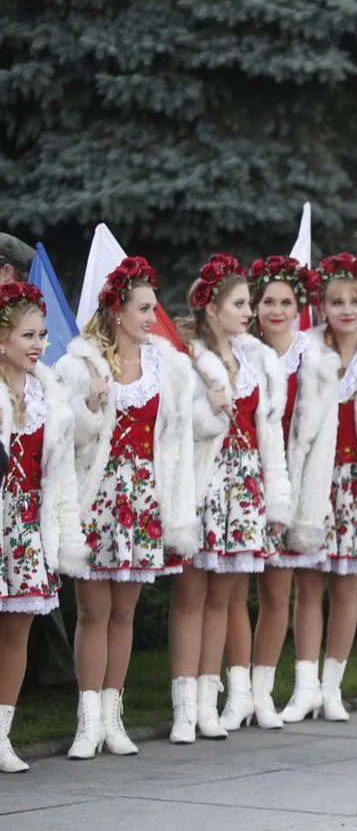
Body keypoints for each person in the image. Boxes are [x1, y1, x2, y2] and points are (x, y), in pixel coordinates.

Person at [55, 256, 198, 758]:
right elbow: (62, 436)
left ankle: (114, 718)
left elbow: (182, 436)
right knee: (92, 610)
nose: (151, 317)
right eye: (143, 308)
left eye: (154, 308)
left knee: (124, 611)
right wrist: (90, 407)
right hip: (98, 498)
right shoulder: (77, 365)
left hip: (142, 500)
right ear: (116, 310)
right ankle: (87, 719)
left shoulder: (168, 366)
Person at [276, 254, 357, 724]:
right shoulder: (308, 354)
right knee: (308, 588)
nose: (346, 309)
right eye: (336, 301)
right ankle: (304, 687)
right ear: (321, 307)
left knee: (348, 588)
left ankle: (332, 688)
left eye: (356, 302)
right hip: (317, 483)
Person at [173, 255, 294, 742]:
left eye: (249, 303)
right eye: (241, 303)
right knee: (190, 595)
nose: (250, 312)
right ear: (213, 307)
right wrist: (211, 408)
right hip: (203, 481)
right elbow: (180, 429)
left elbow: (269, 436)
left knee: (224, 597)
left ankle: (210, 702)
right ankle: (184, 708)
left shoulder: (257, 360)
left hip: (244, 485)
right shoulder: (186, 359)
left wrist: (276, 497)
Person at [226, 256, 327, 730]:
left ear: (299, 306)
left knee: (280, 593)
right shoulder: (242, 353)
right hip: (250, 479)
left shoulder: (313, 357)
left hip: (297, 480)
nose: (277, 309)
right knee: (238, 593)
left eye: (287, 301)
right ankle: (238, 691)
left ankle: (264, 693)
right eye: (268, 301)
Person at [0, 283, 81, 773]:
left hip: (28, 526)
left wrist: (65, 534)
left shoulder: (49, 395)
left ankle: (1, 733)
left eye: (43, 335)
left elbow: (63, 474)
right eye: (27, 335)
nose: (38, 344)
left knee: (17, 633)